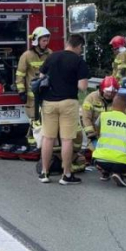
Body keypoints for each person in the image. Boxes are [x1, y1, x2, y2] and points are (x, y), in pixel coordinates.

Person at [38, 34, 90, 185]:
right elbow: (82, 87)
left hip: (49, 102)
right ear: (79, 46)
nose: (81, 51)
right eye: (81, 48)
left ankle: (44, 173)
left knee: (48, 137)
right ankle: (66, 175)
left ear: (67, 43)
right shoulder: (79, 61)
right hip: (68, 102)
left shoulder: (52, 57)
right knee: (67, 139)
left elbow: (41, 77)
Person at [16, 27, 52, 147]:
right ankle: (33, 142)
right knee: (34, 119)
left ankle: (39, 141)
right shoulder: (26, 56)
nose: (46, 43)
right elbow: (20, 74)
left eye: (47, 40)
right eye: (43, 40)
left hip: (47, 93)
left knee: (45, 119)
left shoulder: (50, 54)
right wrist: (21, 91)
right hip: (32, 96)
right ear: (36, 40)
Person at [81, 76, 126, 144]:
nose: (110, 95)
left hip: (113, 135)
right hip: (95, 135)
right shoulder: (91, 98)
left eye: (113, 92)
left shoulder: (118, 99)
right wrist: (91, 134)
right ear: (102, 89)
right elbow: (86, 118)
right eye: (107, 92)